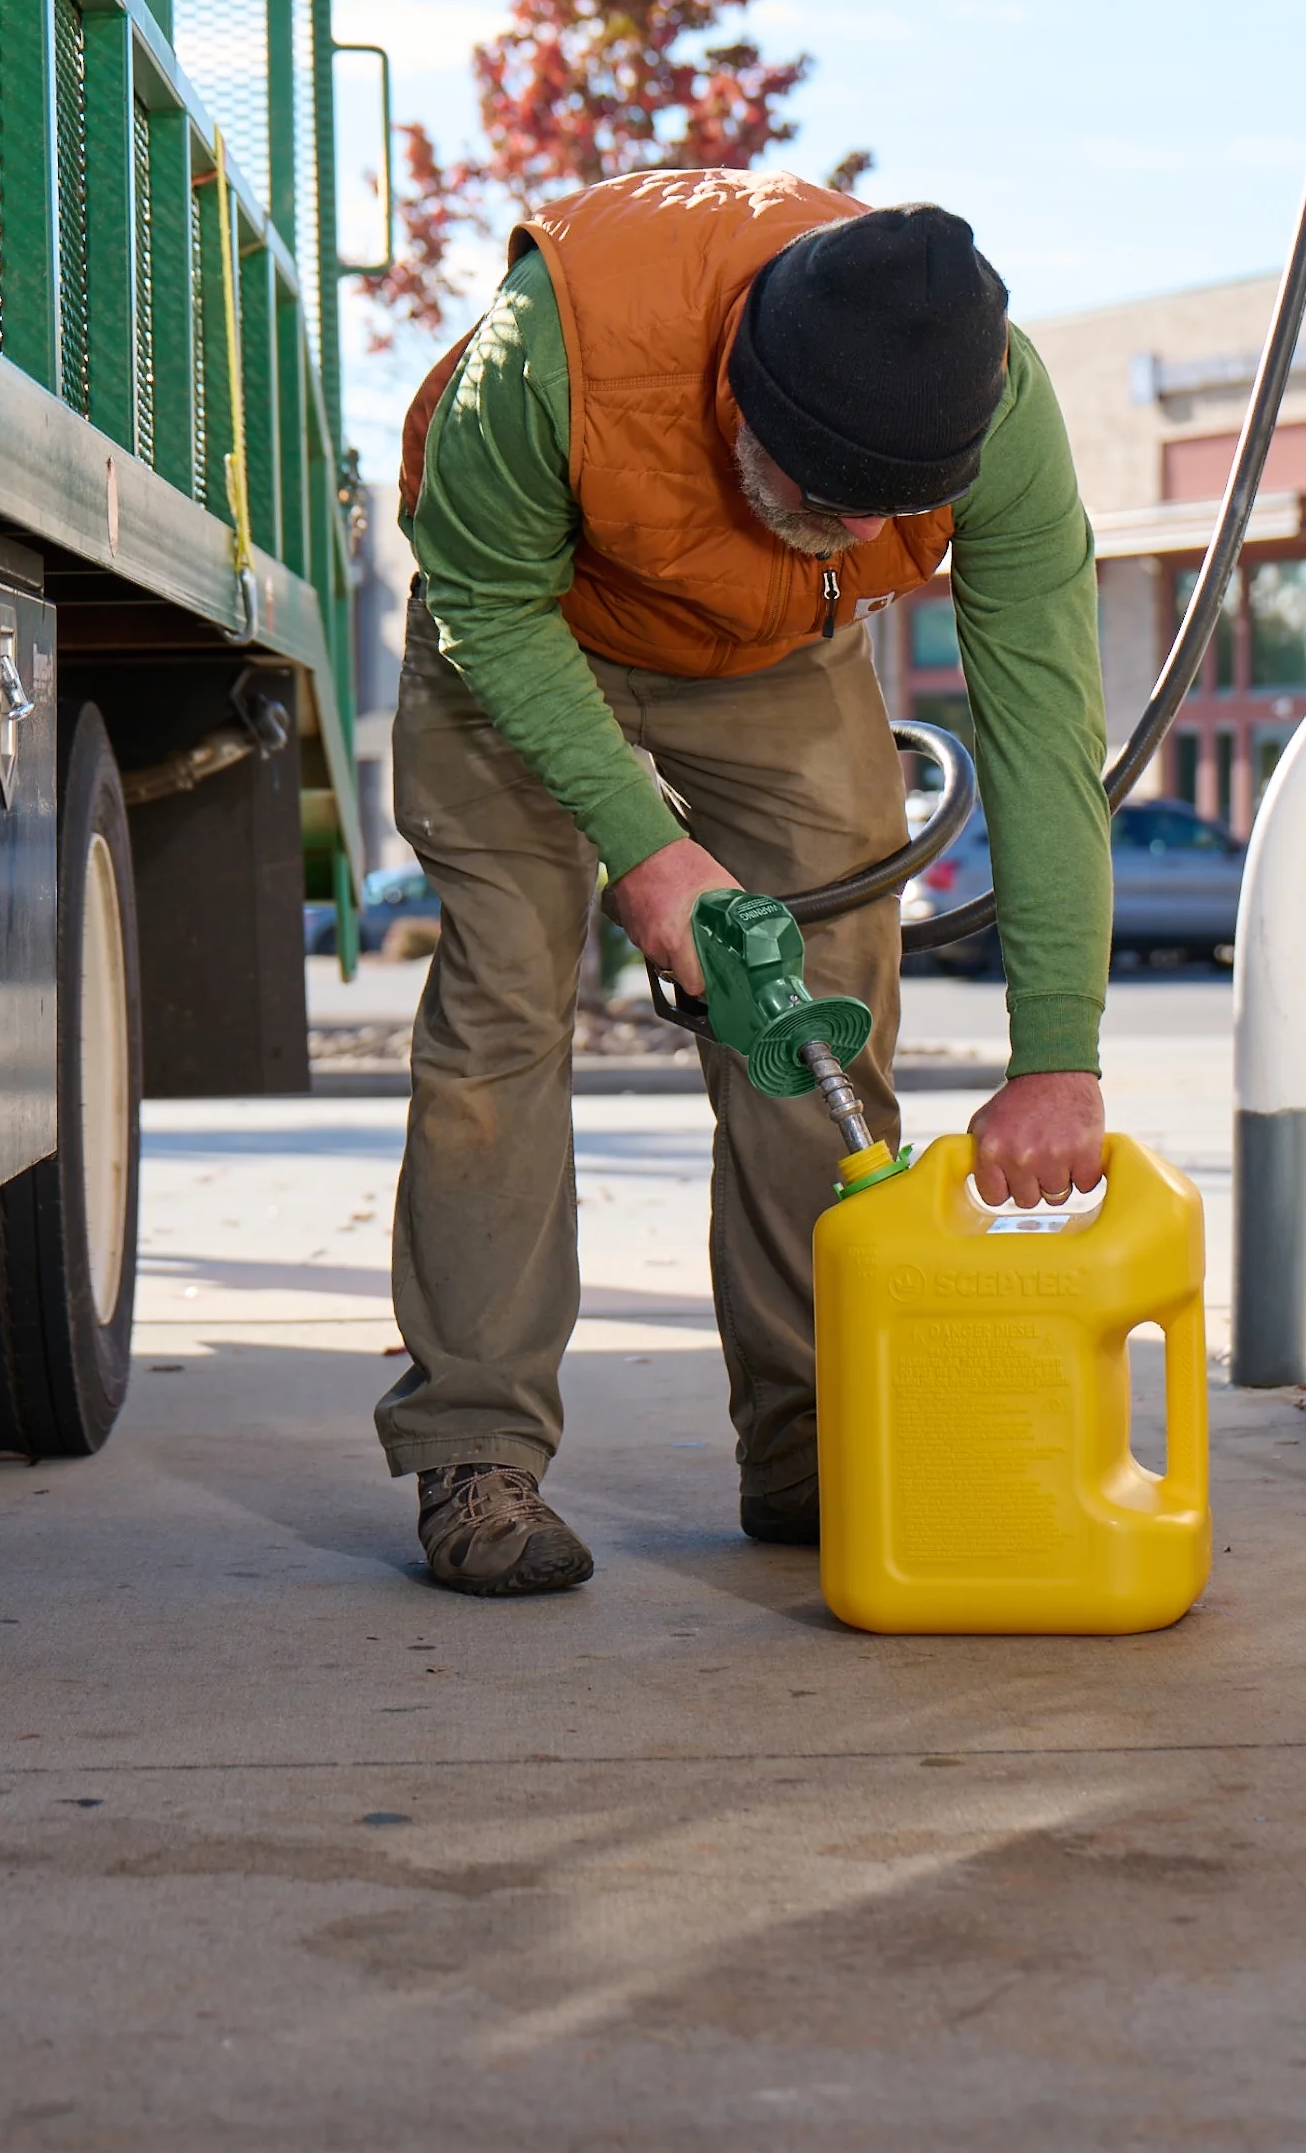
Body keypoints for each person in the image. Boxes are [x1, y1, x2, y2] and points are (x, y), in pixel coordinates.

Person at [382, 169, 1111, 1595]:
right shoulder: (567, 343)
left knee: (821, 1007)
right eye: (822, 495)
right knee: (507, 991)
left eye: (884, 515)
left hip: (771, 658)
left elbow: (1040, 727)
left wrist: (1060, 1057)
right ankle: (475, 1452)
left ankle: (815, 1443)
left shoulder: (997, 411)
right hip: (529, 622)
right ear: (738, 399)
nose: (852, 534)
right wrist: (645, 850)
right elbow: (481, 598)